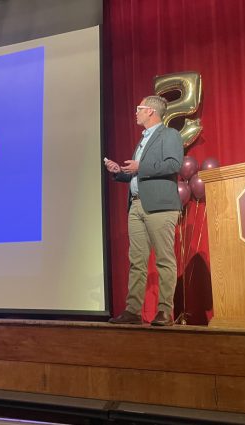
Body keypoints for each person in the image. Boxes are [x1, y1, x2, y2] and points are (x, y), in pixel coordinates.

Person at [104, 95, 183, 326]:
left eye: (138, 108)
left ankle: (164, 312)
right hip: (136, 204)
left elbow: (173, 164)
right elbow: (138, 172)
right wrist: (119, 171)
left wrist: (141, 166)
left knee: (164, 260)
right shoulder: (143, 140)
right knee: (136, 261)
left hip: (160, 206)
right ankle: (132, 311)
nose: (135, 112)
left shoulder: (169, 135)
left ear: (150, 111)